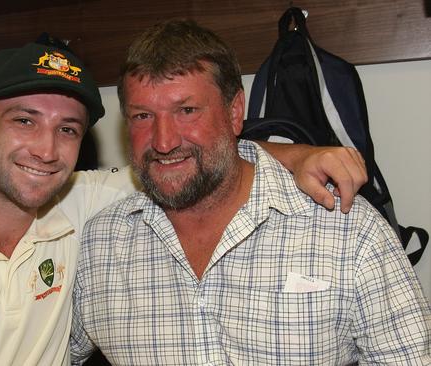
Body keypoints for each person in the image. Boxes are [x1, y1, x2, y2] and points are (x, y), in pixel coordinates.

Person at [0, 40, 365, 366]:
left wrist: (296, 155)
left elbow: (189, 156)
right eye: (24, 121)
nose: (47, 151)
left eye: (68, 130)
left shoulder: (81, 211)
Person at [71, 19, 431, 365]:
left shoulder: (348, 230)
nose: (164, 141)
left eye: (187, 110)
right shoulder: (100, 243)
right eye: (142, 116)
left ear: (234, 113)